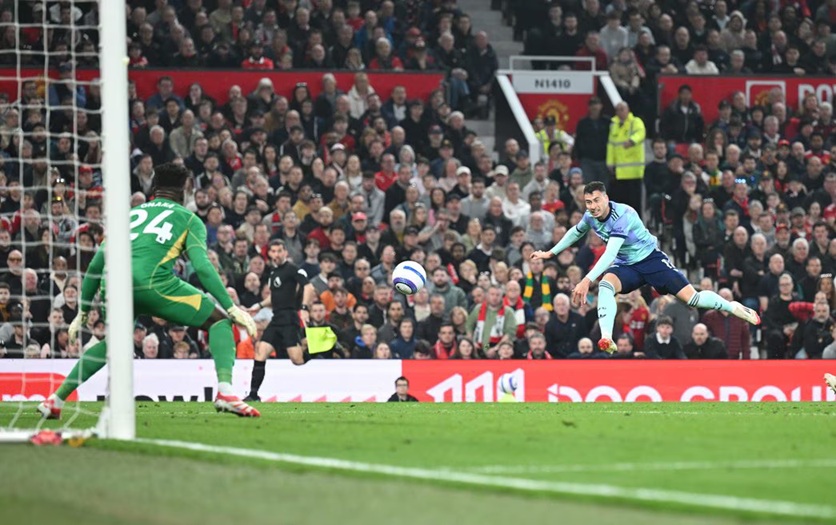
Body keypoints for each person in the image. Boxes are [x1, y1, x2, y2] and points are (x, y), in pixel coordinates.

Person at [39, 163, 260, 419]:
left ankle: (55, 399)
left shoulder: (130, 215)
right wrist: (231, 307)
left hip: (113, 286)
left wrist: (83, 311)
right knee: (219, 321)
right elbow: (202, 266)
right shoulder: (189, 219)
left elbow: (96, 265)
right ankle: (225, 392)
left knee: (114, 343)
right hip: (153, 284)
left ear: (154, 189)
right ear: (184, 191)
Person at [530, 181, 761, 354]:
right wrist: (551, 252)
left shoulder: (623, 215)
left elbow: (610, 253)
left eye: (596, 201)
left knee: (693, 299)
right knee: (606, 286)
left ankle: (732, 307)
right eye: (588, 202)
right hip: (627, 266)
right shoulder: (590, 215)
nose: (592, 206)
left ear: (606, 198)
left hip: (651, 260)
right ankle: (607, 338)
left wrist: (585, 280)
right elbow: (576, 231)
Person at [245, 239, 315, 401]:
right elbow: (274, 297)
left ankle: (319, 350)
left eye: (279, 251)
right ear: (269, 254)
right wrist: (259, 305)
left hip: (289, 318)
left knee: (297, 360)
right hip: (276, 319)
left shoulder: (292, 269)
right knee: (261, 352)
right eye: (273, 251)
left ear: (285, 253)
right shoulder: (273, 272)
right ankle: (253, 394)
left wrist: (304, 308)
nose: (276, 254)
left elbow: (309, 287)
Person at [606, 102, 645, 213]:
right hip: (619, 172)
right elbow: (611, 145)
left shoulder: (635, 122)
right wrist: (610, 162)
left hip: (633, 172)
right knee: (620, 204)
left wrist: (632, 140)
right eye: (617, 110)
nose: (620, 112)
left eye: (622, 109)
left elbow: (641, 133)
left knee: (634, 204)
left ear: (628, 110)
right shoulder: (614, 125)